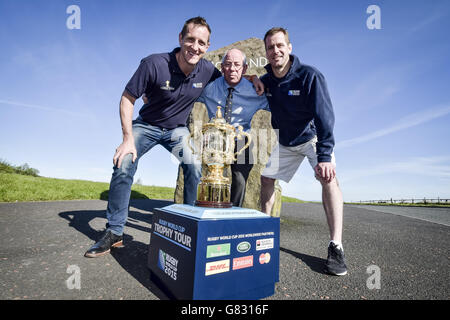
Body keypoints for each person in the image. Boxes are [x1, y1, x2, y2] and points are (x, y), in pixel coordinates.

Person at [84, 17, 222, 258]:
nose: (195, 46)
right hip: (147, 125)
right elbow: (128, 98)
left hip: (177, 131)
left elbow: (231, 82)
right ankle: (115, 231)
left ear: (207, 46)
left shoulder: (208, 69)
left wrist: (253, 80)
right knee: (124, 162)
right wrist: (127, 138)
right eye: (190, 39)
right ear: (180, 39)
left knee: (194, 165)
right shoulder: (153, 63)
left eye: (201, 42)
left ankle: (189, 226)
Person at [259, 27, 347, 276]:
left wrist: (325, 155)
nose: (275, 50)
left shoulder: (310, 76)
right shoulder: (267, 81)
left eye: (279, 45)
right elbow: (253, 82)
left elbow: (325, 117)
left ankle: (336, 246)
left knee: (329, 179)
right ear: (265, 52)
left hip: (311, 139)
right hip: (286, 143)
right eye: (270, 47)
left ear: (289, 47)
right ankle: (265, 233)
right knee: (266, 179)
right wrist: (253, 80)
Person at [197, 48, 269, 207]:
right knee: (209, 176)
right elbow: (185, 94)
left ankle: (233, 212)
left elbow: (278, 106)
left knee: (239, 178)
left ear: (244, 68)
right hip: (216, 138)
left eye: (237, 65)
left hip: (241, 137)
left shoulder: (256, 91)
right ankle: (209, 209)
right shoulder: (210, 88)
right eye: (228, 64)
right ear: (222, 68)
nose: (232, 69)